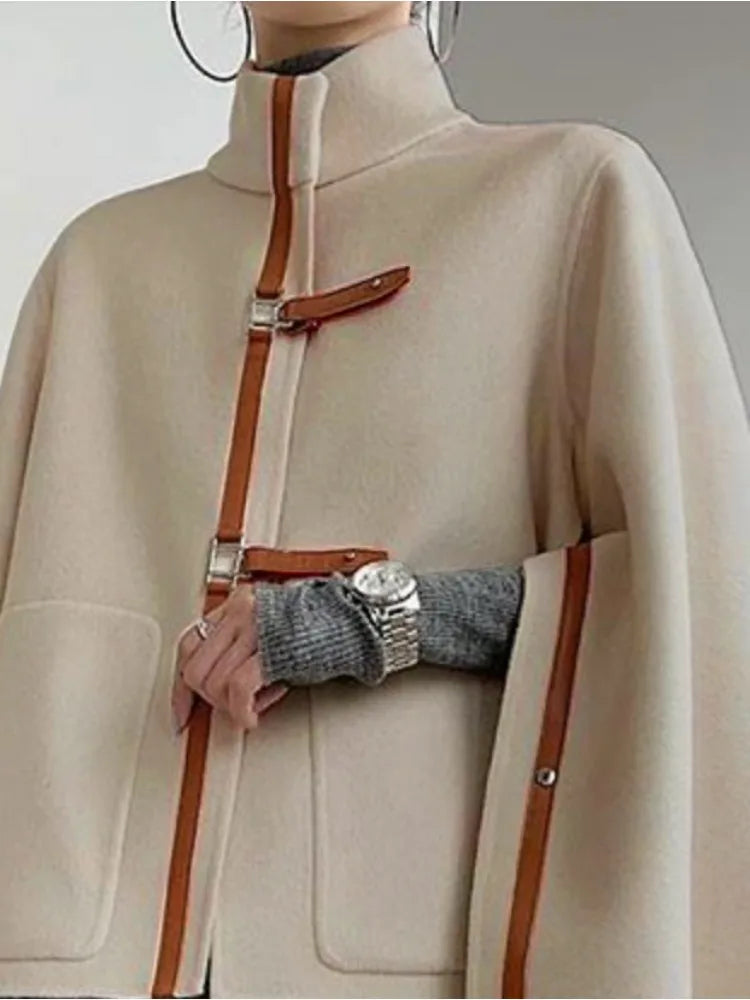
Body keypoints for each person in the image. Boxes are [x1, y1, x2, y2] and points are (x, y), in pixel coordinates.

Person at [1, 3, 749, 998]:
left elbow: (690, 606)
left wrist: (381, 617)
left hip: (421, 961)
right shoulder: (94, 267)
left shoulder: (575, 196)